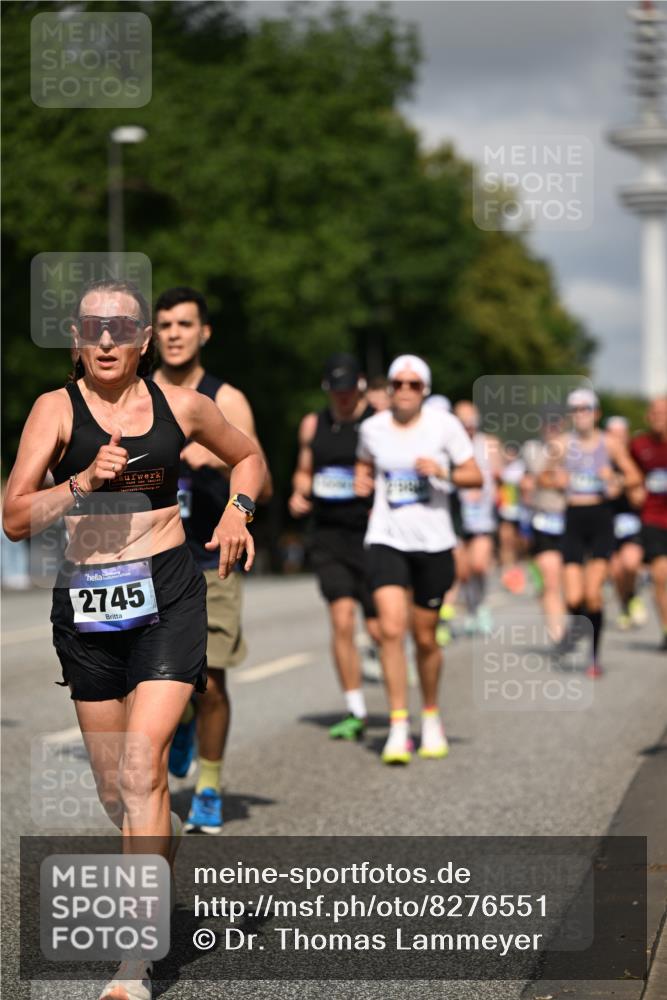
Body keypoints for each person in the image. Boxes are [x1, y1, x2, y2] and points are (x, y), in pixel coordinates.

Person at [2, 279, 265, 1000]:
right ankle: (158, 830)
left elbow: (249, 459)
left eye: (123, 327)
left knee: (143, 765)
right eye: (94, 328)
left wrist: (239, 512)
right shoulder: (54, 411)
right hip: (88, 606)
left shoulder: (183, 405)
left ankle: (133, 959)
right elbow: (15, 516)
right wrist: (82, 482)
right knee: (118, 788)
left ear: (144, 338)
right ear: (78, 340)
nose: (109, 340)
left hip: (169, 593)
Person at [153, 286, 272, 834]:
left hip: (209, 559)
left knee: (211, 681)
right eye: (165, 324)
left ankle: (207, 785)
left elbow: (261, 481)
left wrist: (214, 462)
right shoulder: (135, 394)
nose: (174, 333)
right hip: (146, 561)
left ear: (204, 333)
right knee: (154, 682)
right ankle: (178, 725)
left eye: (185, 324)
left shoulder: (228, 398)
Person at [355, 355, 482, 764]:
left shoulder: (444, 427)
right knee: (392, 630)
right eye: (398, 383)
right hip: (386, 538)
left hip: (434, 543)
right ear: (389, 387)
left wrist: (442, 470)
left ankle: (430, 715)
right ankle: (397, 725)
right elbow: (364, 462)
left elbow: (474, 474)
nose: (405, 390)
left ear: (424, 390)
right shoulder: (372, 428)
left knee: (425, 638)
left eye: (413, 384)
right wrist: (363, 479)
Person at [289, 353, 380, 740]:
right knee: (342, 619)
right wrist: (298, 492)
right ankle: (355, 708)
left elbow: (398, 468)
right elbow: (304, 470)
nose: (343, 398)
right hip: (328, 535)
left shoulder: (379, 423)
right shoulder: (313, 424)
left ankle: (394, 703)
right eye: (336, 391)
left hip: (374, 534)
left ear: (360, 384)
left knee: (380, 628)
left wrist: (374, 484)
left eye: (350, 390)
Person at [542, 388, 642, 677]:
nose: (580, 414)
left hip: (600, 519)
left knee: (593, 594)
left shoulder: (610, 444)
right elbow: (543, 477)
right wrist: (555, 480)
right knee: (573, 598)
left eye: (585, 408)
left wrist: (617, 480)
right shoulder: (561, 444)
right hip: (573, 519)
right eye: (575, 409)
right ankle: (578, 625)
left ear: (596, 413)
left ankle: (594, 658)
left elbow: (635, 476)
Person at [452, 400, 502, 634]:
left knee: (479, 565)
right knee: (462, 571)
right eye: (463, 421)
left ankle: (481, 606)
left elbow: (500, 476)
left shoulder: (489, 444)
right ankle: (472, 607)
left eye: (472, 421)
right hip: (457, 519)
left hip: (483, 517)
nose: (469, 426)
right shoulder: (450, 446)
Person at [521, 416, 567, 642]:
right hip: (542, 520)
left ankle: (571, 622)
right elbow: (531, 479)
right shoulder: (531, 449)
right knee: (550, 579)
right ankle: (556, 632)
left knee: (569, 582)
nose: (551, 428)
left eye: (556, 424)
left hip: (571, 520)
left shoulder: (575, 447)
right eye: (547, 423)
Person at [630, 396, 667, 651]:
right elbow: (631, 476)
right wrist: (634, 491)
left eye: (663, 412)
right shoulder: (639, 445)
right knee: (661, 576)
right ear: (647, 416)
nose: (658, 416)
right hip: (653, 518)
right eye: (654, 412)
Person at [606, 416, 646, 630]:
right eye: (613, 434)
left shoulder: (635, 458)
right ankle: (624, 604)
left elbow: (640, 490)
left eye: (621, 435)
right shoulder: (601, 458)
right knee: (616, 571)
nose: (617, 439)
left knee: (630, 563)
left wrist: (624, 484)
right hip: (607, 520)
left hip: (631, 519)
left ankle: (632, 596)